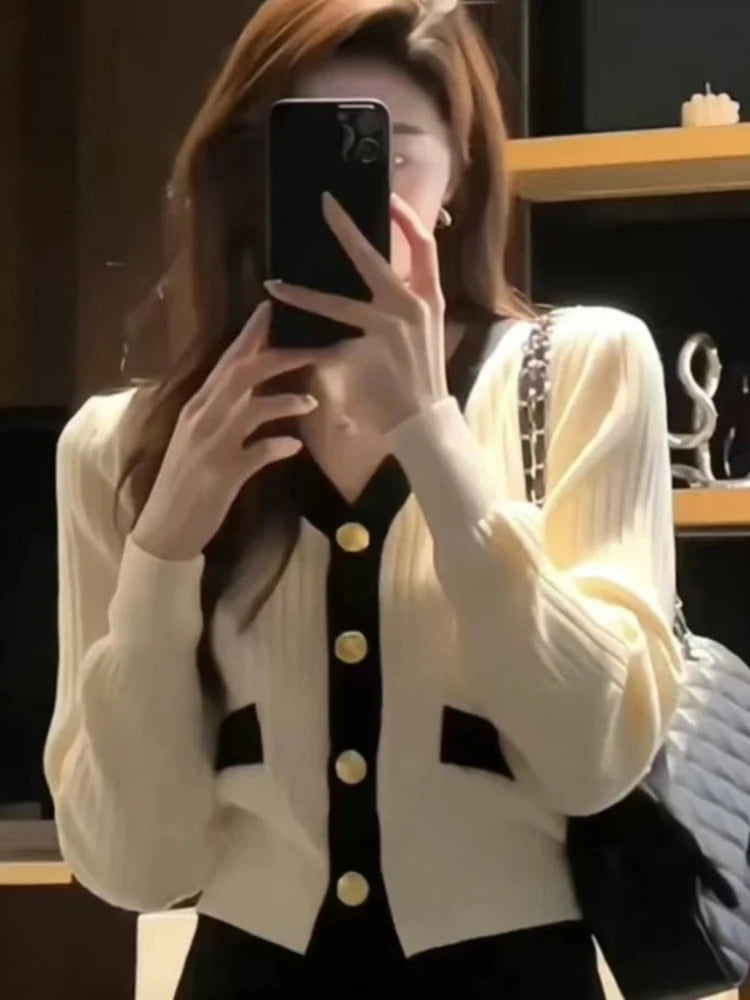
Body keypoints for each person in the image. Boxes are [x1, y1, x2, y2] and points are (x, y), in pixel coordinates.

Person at [43, 0, 683, 997]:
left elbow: (592, 759)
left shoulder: (582, 371)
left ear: (459, 172)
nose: (352, 196)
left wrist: (433, 435)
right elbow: (134, 864)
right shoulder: (119, 449)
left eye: (390, 149)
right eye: (304, 152)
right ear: (246, 174)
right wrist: (163, 548)